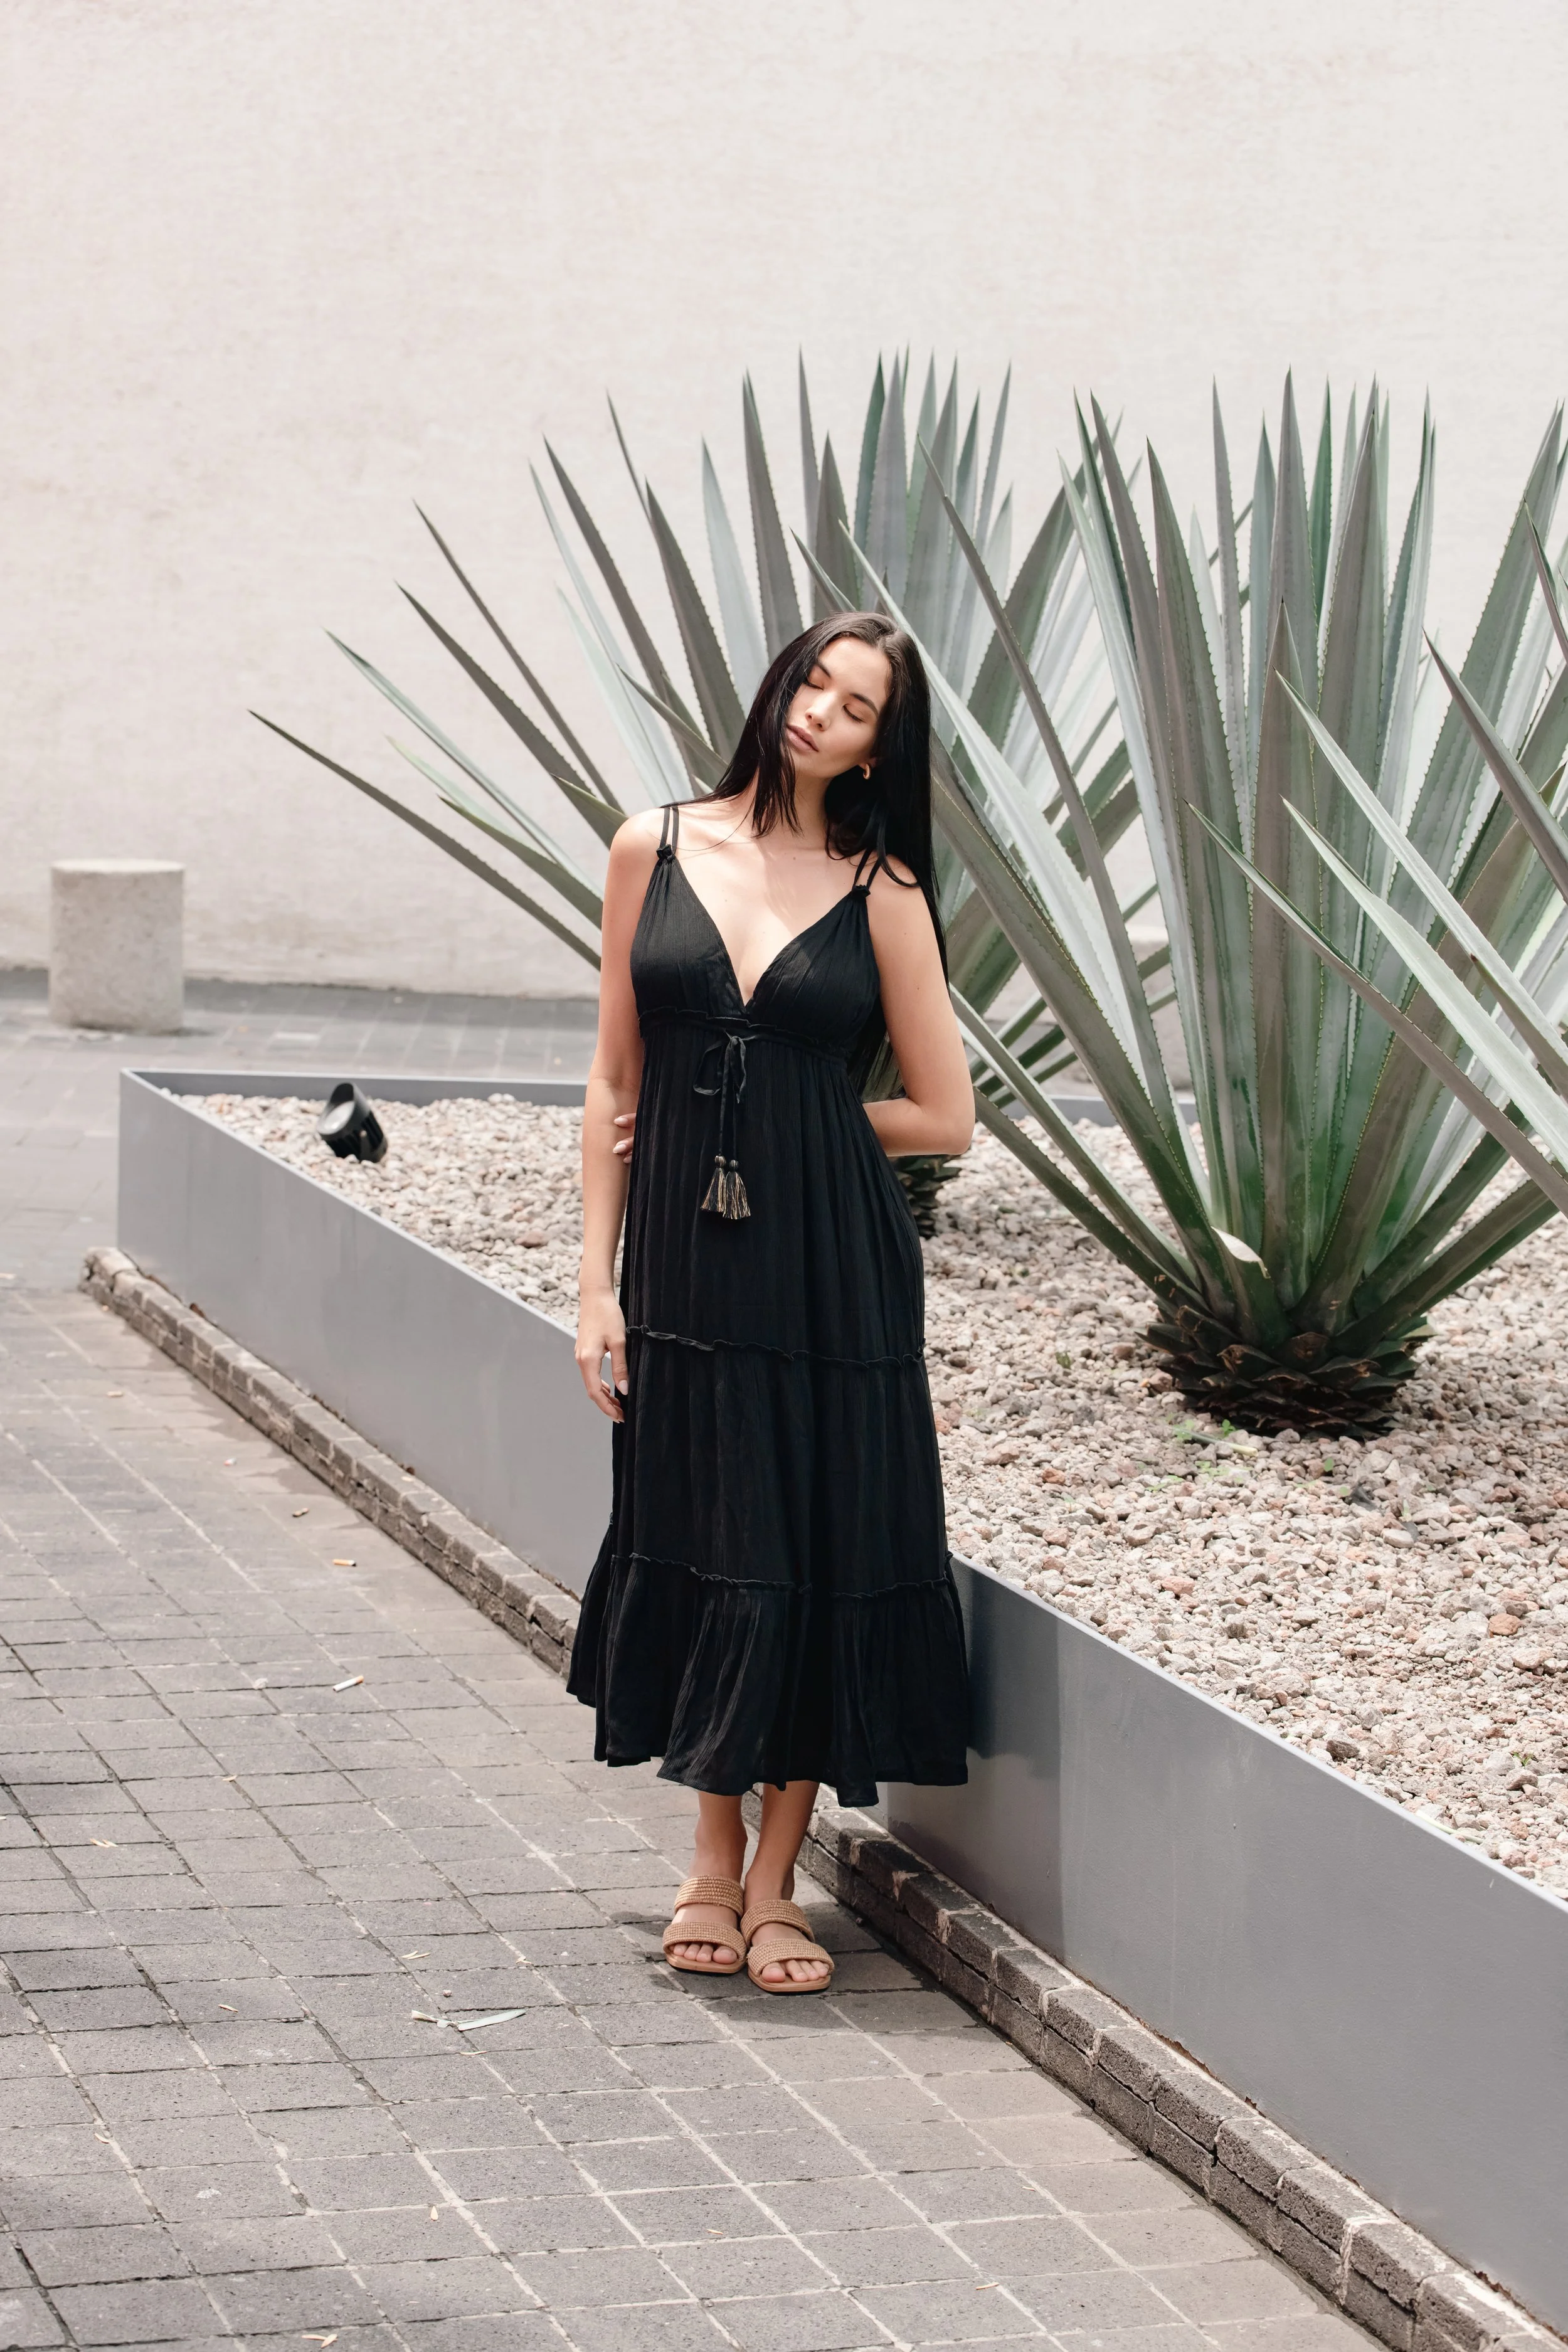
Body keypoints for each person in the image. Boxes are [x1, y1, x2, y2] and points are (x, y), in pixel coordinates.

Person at [567, 613, 973, 1993]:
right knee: (698, 1524)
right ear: (780, 684)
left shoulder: (885, 892)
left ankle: (773, 1881)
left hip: (829, 1268)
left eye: (856, 707)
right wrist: (593, 1290)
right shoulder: (653, 846)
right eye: (814, 681)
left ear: (877, 743)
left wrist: (813, 1127)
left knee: (815, 1538)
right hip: (680, 1273)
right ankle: (703, 1857)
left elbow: (945, 1114)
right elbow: (613, 1083)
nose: (821, 713)